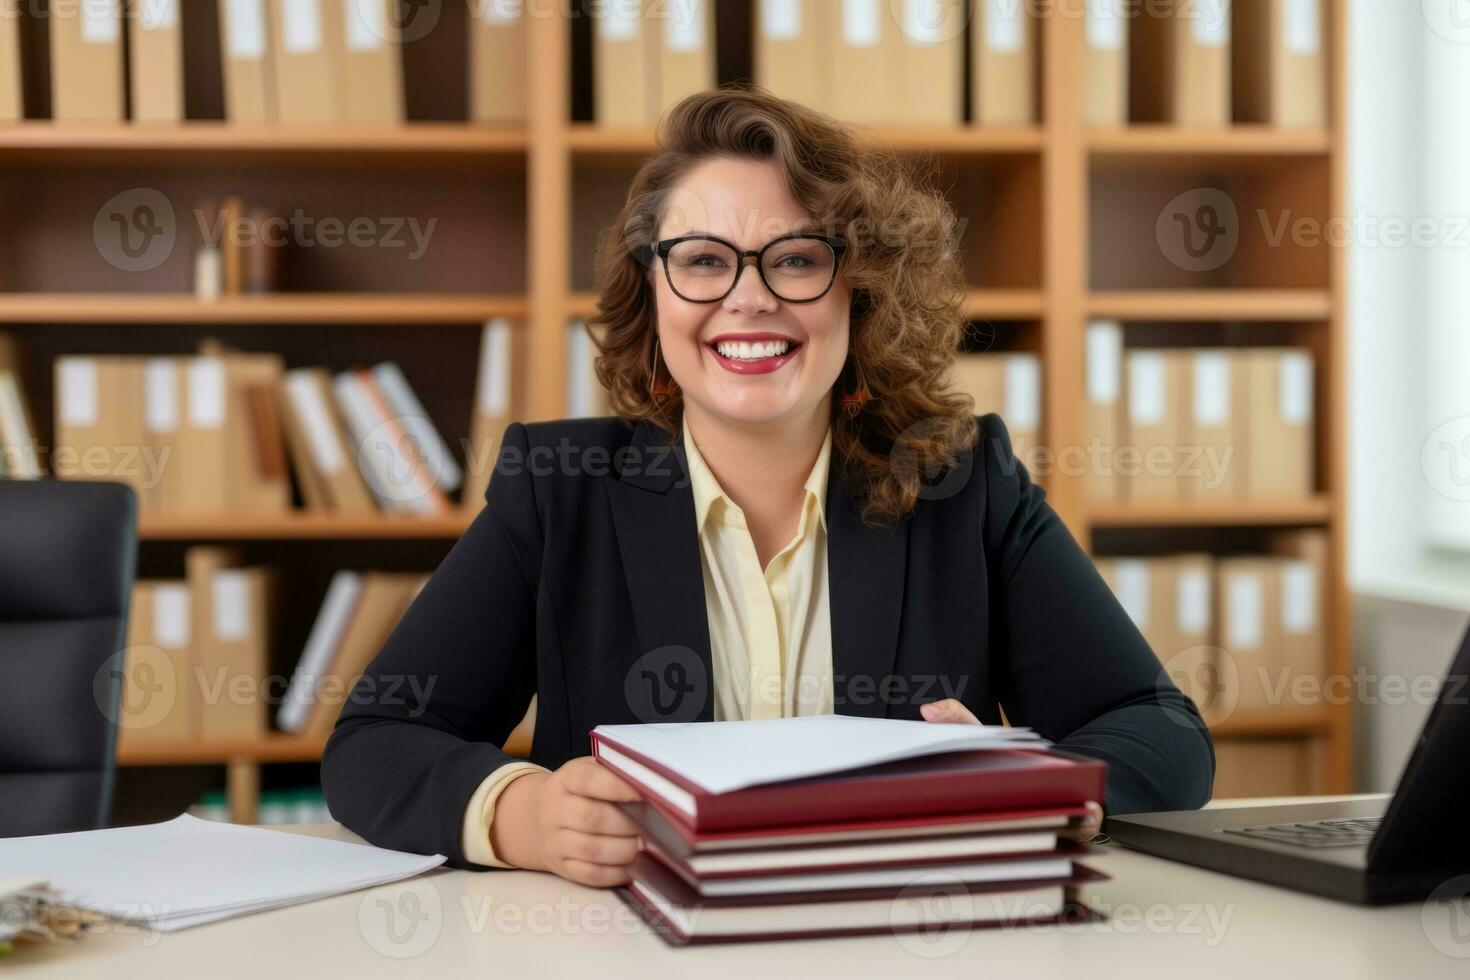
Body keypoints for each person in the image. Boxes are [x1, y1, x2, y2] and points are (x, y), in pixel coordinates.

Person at [321, 86, 1214, 886]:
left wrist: (1036, 789)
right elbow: (374, 744)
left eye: (794, 259)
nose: (748, 299)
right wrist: (522, 816)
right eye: (704, 260)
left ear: (857, 292)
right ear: (654, 290)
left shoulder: (963, 485)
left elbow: (1159, 730)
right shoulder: (560, 491)